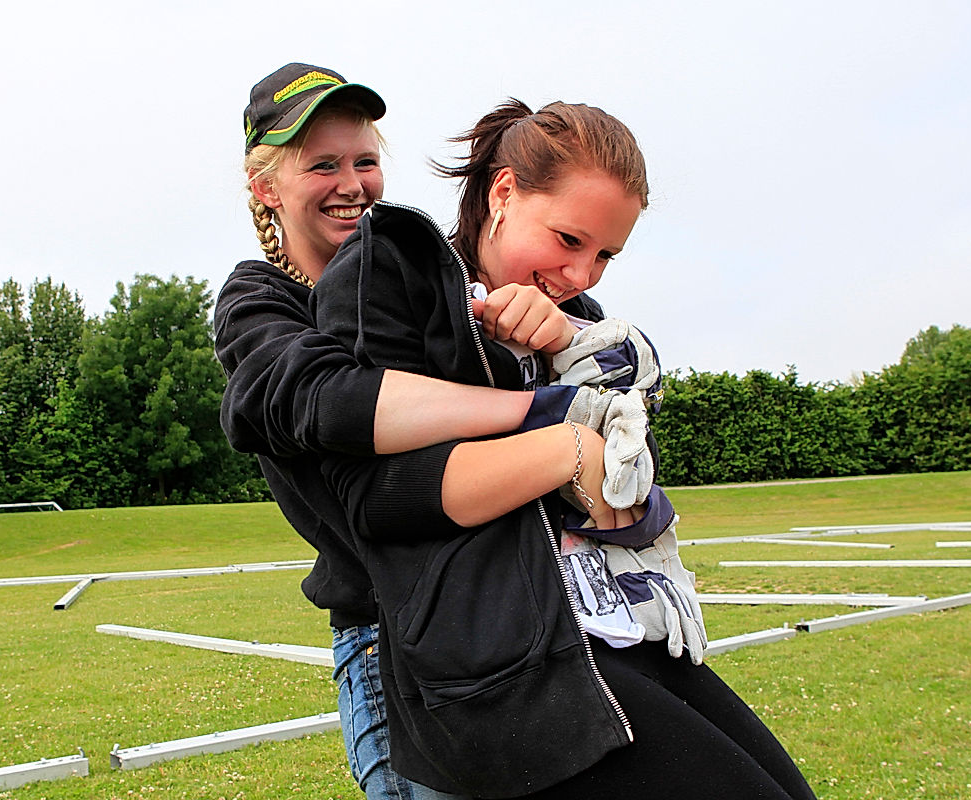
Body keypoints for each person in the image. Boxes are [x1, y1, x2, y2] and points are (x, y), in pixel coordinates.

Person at [313, 99, 819, 799]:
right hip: (496, 658)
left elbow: (628, 490)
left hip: (610, 626)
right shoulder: (396, 273)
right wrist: (565, 447)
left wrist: (568, 346)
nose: (582, 275)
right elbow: (377, 499)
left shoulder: (581, 323)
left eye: (605, 255)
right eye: (569, 239)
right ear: (503, 193)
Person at [216, 64, 622, 800]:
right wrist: (546, 419)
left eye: (365, 161)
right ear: (265, 187)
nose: (352, 183)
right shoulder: (260, 300)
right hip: (388, 637)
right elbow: (322, 399)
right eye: (323, 165)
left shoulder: (428, 281)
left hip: (514, 613)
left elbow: (616, 378)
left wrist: (556, 334)